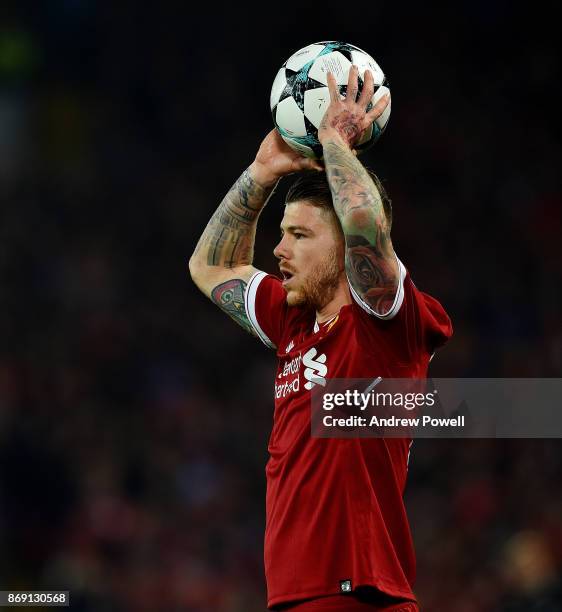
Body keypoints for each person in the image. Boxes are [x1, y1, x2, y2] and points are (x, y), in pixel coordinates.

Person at [189, 66, 452, 611]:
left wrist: (334, 138)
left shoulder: (385, 322)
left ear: (346, 250)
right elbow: (210, 265)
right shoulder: (293, 322)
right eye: (282, 234)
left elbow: (361, 219)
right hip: (293, 597)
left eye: (300, 235)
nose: (278, 251)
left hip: (358, 594)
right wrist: (261, 174)